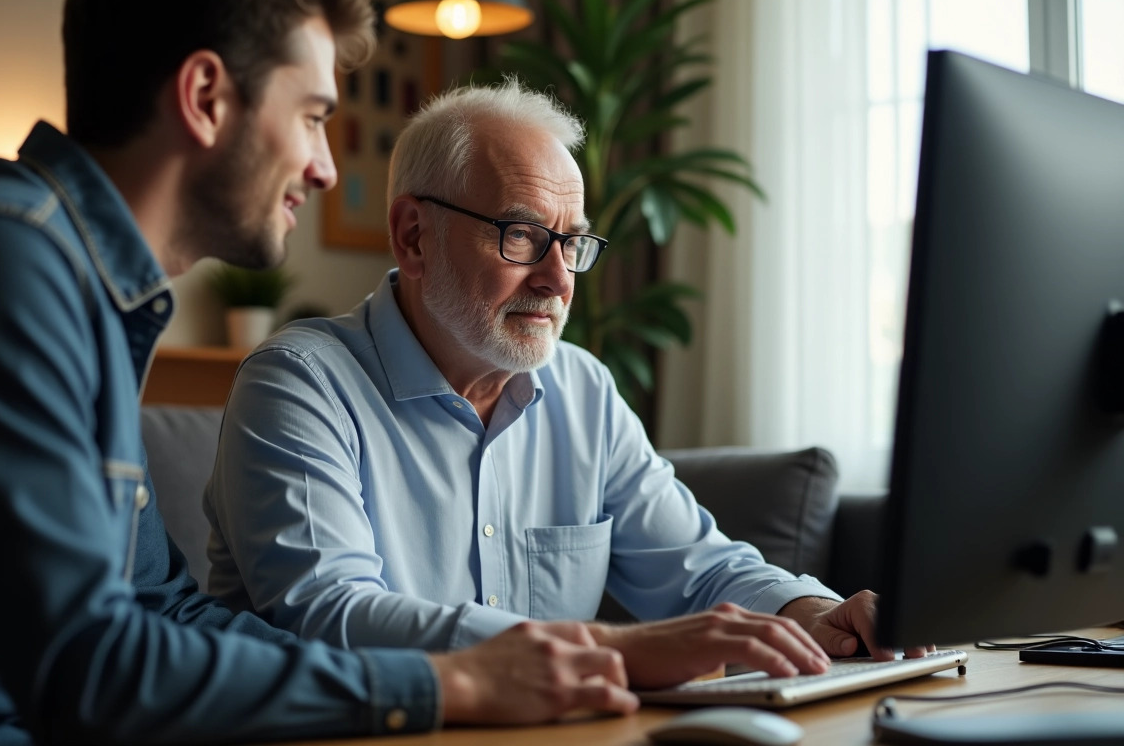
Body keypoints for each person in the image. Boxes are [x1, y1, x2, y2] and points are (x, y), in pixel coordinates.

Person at [0, 0, 640, 744]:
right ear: (206, 97)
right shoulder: (1, 263)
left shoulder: (78, 287)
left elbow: (163, 610)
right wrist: (444, 685)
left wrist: (446, 679)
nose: (326, 167)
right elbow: (90, 670)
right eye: (313, 116)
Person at [204, 79, 932, 691]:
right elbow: (331, 616)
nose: (557, 279)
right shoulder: (298, 385)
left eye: (573, 241)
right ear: (415, 237)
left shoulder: (581, 389)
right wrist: (615, 650)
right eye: (520, 236)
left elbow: (698, 567)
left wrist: (807, 611)